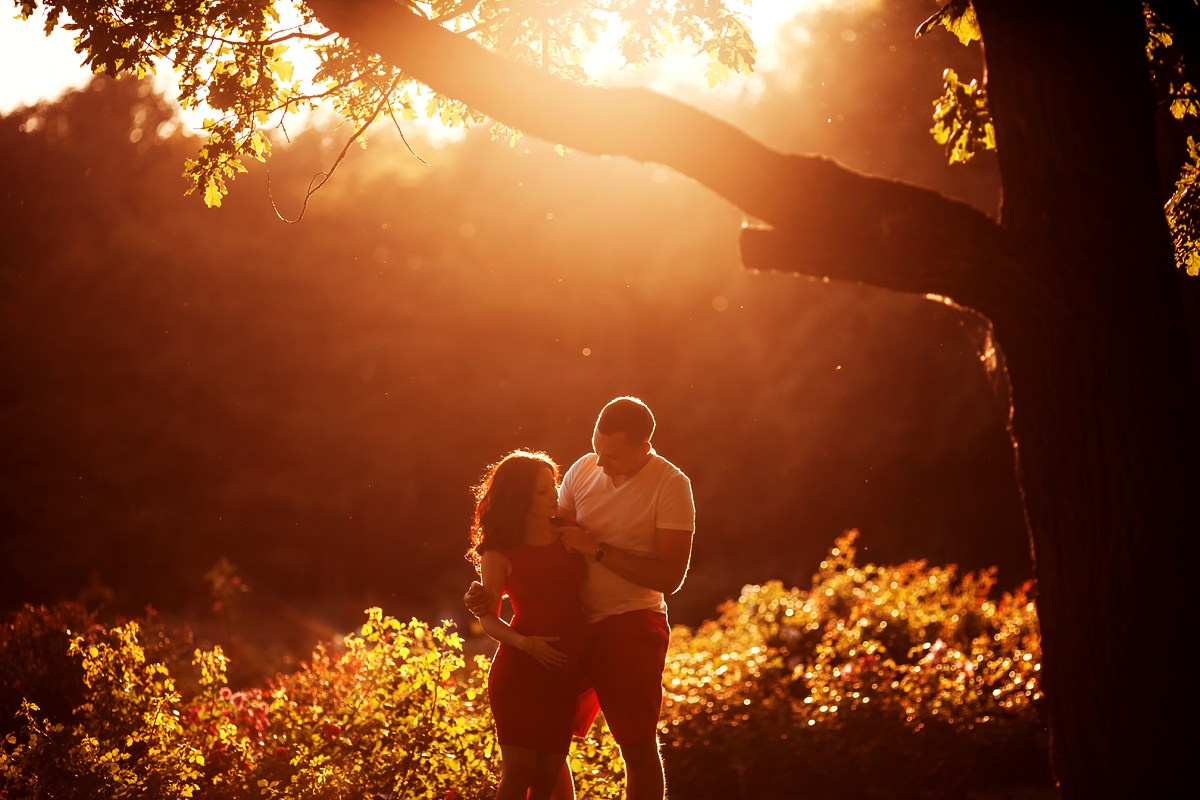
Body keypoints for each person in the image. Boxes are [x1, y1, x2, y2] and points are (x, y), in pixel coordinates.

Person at [467, 397, 695, 800]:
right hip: (568, 629)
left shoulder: (671, 485)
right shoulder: (584, 468)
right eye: (596, 448)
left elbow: (671, 578)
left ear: (643, 448)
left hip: (629, 622)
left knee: (636, 743)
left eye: (611, 455)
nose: (599, 462)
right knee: (547, 747)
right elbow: (539, 533)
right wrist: (488, 588)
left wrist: (598, 550)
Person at [466, 449, 588, 800]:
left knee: (548, 775)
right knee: (519, 774)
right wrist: (526, 645)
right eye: (542, 491)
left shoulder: (570, 533)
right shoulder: (499, 553)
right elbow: (487, 616)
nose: (554, 495)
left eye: (553, 485)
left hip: (563, 669)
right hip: (521, 670)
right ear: (520, 498)